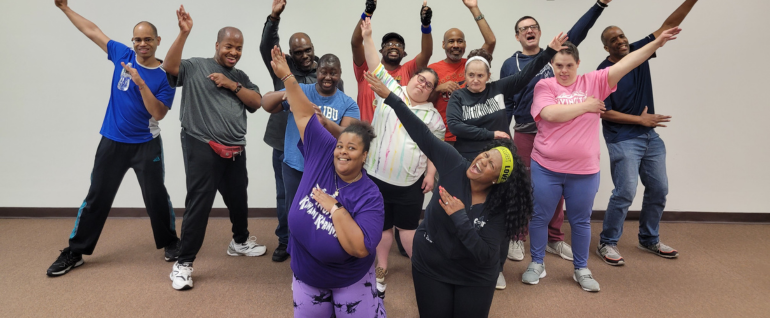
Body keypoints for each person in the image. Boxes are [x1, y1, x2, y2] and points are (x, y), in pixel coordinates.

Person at [524, 28, 682, 292]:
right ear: (551, 64)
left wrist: (657, 43)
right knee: (540, 216)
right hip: (546, 167)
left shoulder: (594, 82)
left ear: (578, 64)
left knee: (581, 220)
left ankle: (581, 269)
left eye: (569, 66)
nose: (564, 71)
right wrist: (586, 106)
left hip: (584, 170)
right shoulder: (545, 85)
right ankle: (536, 263)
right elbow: (550, 114)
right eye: (559, 65)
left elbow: (629, 60)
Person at [364, 70, 532, 318]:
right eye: (485, 155)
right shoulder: (455, 164)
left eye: (490, 165)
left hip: (474, 274)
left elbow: (486, 255)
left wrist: (460, 217)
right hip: (431, 265)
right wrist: (390, 97)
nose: (481, 162)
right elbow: (420, 131)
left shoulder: (500, 203)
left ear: (498, 179)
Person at [47, 0, 180, 277]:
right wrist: (64, 8)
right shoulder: (123, 54)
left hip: (146, 144)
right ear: (133, 41)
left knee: (156, 196)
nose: (142, 44)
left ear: (157, 41)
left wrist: (140, 82)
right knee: (97, 197)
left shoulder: (165, 76)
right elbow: (93, 31)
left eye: (147, 39)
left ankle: (170, 242)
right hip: (113, 141)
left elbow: (158, 112)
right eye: (137, 39)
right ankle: (75, 251)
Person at [269, 45, 386, 318]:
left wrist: (335, 209)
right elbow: (302, 114)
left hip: (350, 279)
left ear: (364, 155)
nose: (342, 151)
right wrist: (287, 77)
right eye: (340, 145)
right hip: (307, 275)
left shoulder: (370, 195)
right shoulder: (322, 154)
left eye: (352, 148)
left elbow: (359, 247)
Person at [446, 34, 564, 289]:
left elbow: (527, 74)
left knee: (496, 218)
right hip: (470, 164)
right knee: (467, 215)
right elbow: (455, 126)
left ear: (488, 76)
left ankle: (495, 268)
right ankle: (465, 263)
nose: (475, 80)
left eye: (480, 75)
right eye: (471, 75)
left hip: (501, 163)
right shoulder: (458, 97)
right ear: (464, 76)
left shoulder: (498, 88)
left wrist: (548, 53)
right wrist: (490, 134)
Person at [500, 0, 613, 265]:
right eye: (523, 28)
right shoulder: (510, 64)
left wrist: (599, 5)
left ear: (539, 32)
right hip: (527, 133)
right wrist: (503, 136)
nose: (529, 30)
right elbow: (505, 102)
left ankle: (554, 238)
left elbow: (579, 32)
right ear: (517, 36)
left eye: (533, 27)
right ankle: (518, 235)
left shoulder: (556, 56)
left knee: (560, 190)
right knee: (524, 187)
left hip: (561, 134)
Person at [163, 6, 266, 290]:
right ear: (217, 45)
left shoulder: (241, 76)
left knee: (238, 200)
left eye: (239, 47)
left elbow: (256, 102)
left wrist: (231, 84)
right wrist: (184, 33)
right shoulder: (195, 66)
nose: (234, 51)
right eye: (229, 46)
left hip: (235, 151)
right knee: (200, 205)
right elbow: (170, 68)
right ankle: (183, 264)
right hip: (201, 145)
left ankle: (240, 242)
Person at [596, 0, 697, 266]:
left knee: (659, 188)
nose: (620, 40)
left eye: (622, 35)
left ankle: (649, 239)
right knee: (626, 191)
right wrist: (639, 120)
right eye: (613, 39)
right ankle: (607, 242)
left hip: (650, 137)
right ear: (606, 48)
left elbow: (668, 26)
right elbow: (602, 111)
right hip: (623, 139)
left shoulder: (638, 51)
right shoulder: (603, 72)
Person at [359, 18, 445, 298]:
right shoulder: (390, 90)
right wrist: (368, 37)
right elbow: (373, 63)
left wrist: (431, 174)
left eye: (429, 84)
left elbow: (434, 150)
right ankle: (381, 268)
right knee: (382, 230)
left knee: (408, 232)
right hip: (376, 178)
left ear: (432, 92)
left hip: (409, 183)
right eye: (421, 79)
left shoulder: (433, 116)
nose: (423, 85)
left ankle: (425, 271)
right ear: (412, 78)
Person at [260, 0, 345, 263]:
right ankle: (285, 240)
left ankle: (312, 241)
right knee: (286, 195)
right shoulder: (284, 70)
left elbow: (339, 106)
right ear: (290, 54)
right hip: (285, 145)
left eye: (308, 50)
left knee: (318, 197)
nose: (305, 55)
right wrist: (274, 17)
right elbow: (267, 46)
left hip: (319, 151)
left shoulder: (326, 73)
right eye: (298, 52)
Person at [261, 54, 360, 258]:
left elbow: (348, 136)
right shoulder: (300, 90)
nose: (328, 77)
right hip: (295, 166)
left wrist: (325, 122)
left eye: (333, 73)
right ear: (317, 72)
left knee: (321, 213)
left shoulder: (348, 103)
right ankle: (293, 249)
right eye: (324, 71)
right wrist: (284, 95)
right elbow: (265, 103)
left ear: (340, 75)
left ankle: (318, 252)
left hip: (326, 170)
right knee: (294, 212)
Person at [352, 0, 433, 123]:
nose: (394, 46)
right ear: (381, 50)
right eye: (388, 44)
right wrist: (367, 13)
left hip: (395, 136)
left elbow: (426, 53)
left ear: (404, 53)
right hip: (367, 137)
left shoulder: (408, 71)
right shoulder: (366, 69)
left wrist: (426, 26)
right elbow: (356, 43)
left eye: (399, 45)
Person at [428, 0, 497, 144]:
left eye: (460, 41)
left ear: (465, 44)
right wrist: (439, 88)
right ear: (443, 44)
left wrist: (474, 8)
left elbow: (490, 41)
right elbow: (425, 100)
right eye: (451, 41)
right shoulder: (433, 68)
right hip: (444, 136)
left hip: (474, 133)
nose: (455, 45)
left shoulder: (473, 64)